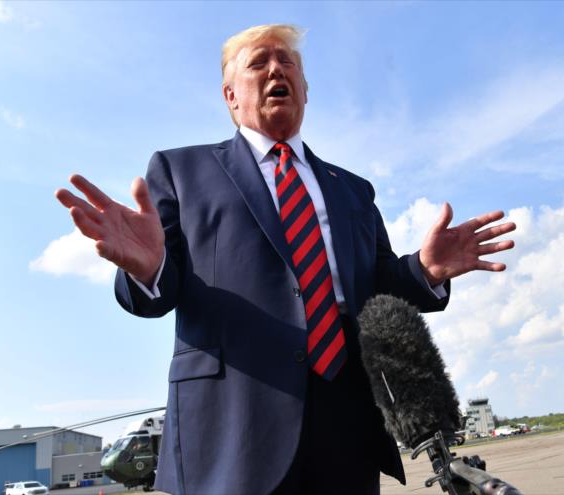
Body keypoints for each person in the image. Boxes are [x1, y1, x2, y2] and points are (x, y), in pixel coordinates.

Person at [55, 24, 515, 495]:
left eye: (287, 62)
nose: (277, 69)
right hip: (234, 426)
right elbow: (157, 292)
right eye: (259, 62)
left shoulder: (351, 189)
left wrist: (424, 270)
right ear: (231, 96)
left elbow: (377, 286)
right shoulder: (181, 171)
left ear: (305, 91)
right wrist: (148, 268)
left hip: (345, 421)